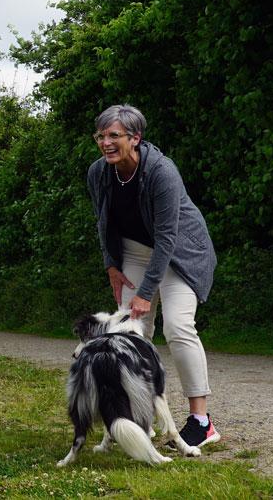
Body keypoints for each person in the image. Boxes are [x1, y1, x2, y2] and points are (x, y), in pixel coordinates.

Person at [87, 104, 219, 448]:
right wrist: (111, 265)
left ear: (135, 138)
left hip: (180, 254)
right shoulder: (98, 173)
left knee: (177, 326)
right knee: (130, 332)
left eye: (114, 135)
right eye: (101, 136)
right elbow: (103, 223)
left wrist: (146, 292)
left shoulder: (162, 172)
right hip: (133, 252)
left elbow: (167, 239)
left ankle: (201, 422)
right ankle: (137, 418)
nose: (106, 142)